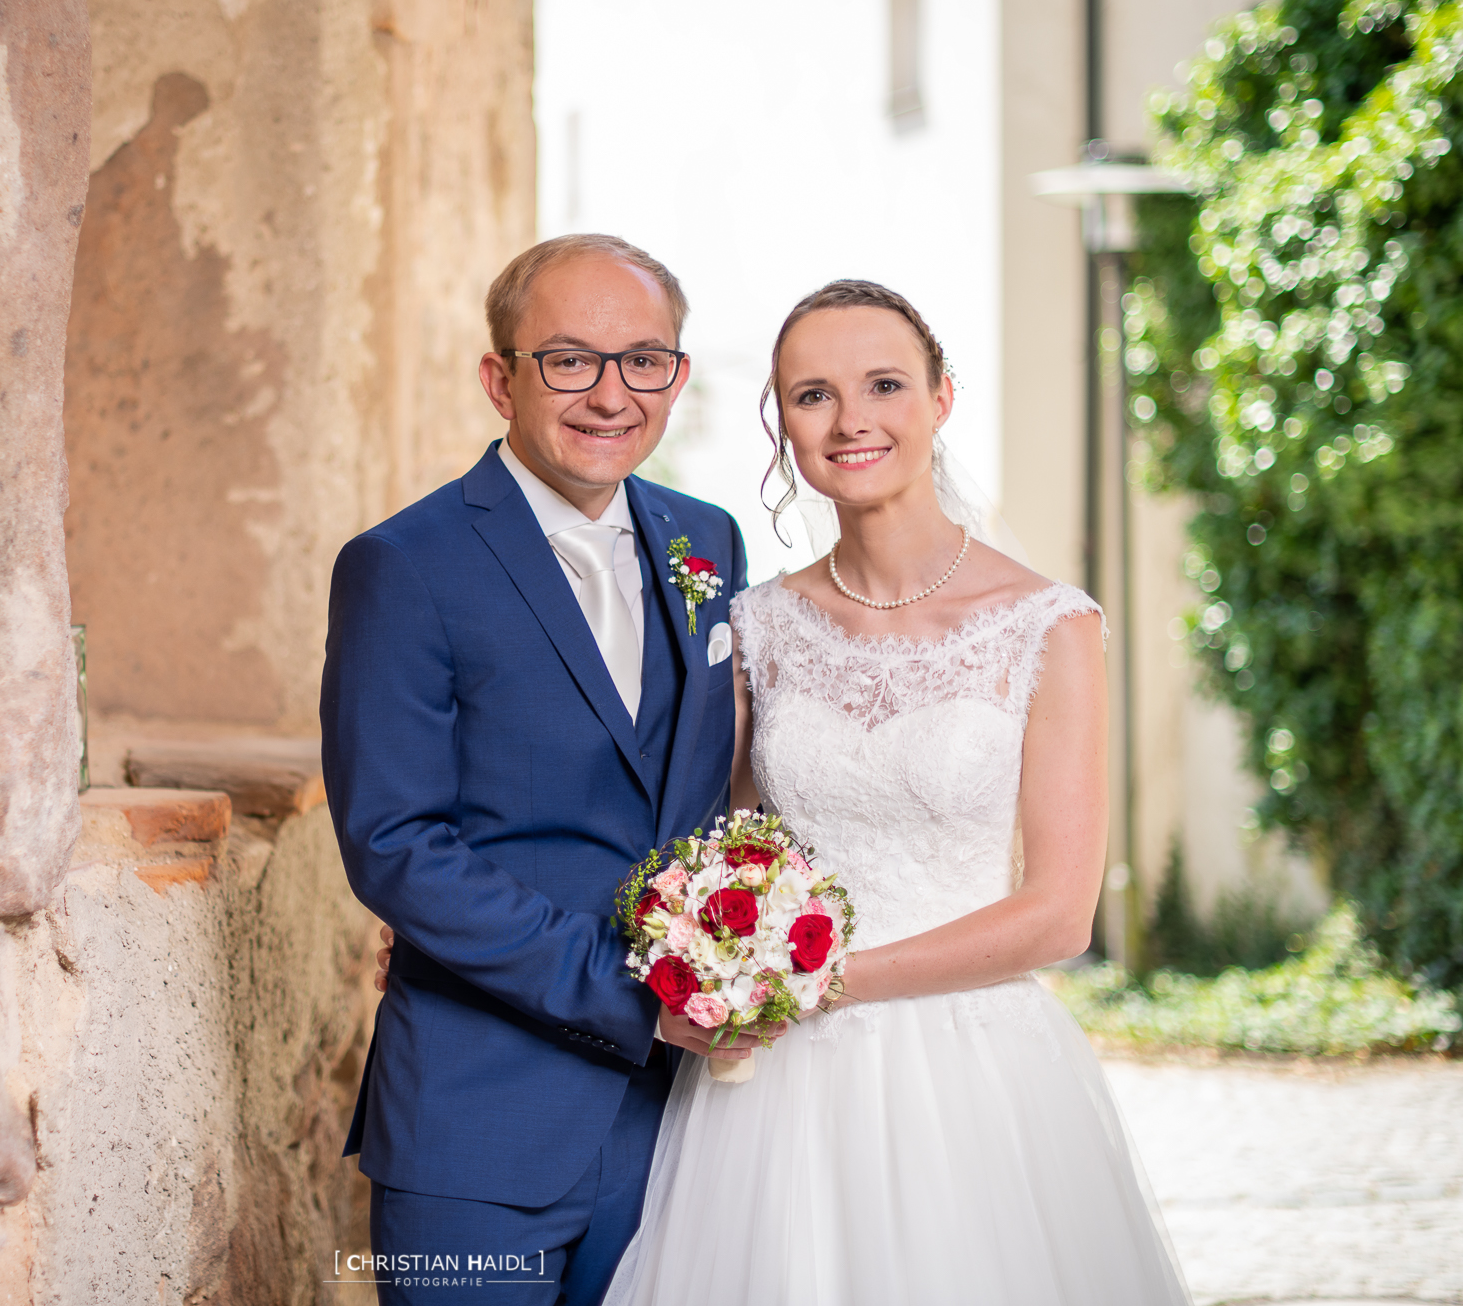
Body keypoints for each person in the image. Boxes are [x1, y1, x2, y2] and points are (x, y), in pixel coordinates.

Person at [602, 280, 1191, 1304]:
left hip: (972, 1074)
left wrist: (817, 985)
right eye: (811, 395)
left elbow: (1056, 915)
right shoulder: (757, 629)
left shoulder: (1047, 624)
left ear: (940, 400)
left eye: (882, 384)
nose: (850, 419)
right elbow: (724, 848)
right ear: (780, 425)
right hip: (772, 1093)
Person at [320, 234, 763, 1306]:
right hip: (479, 1125)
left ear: (676, 376)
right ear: (498, 378)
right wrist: (631, 991)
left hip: (685, 1125)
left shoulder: (707, 544)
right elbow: (395, 847)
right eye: (568, 360)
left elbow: (712, 798)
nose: (609, 394)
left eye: (641, 360)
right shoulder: (402, 565)